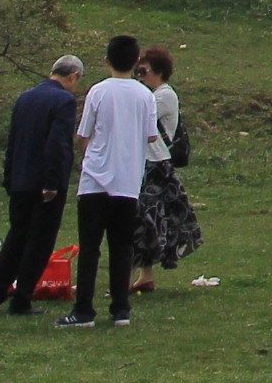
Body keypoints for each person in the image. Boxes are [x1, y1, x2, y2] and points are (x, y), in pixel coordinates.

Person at [62, 33, 160, 329]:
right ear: (136, 62)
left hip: (94, 182)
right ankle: (120, 308)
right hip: (127, 181)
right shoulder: (145, 95)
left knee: (90, 247)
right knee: (122, 247)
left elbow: (83, 134)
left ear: (107, 60)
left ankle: (84, 310)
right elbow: (151, 134)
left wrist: (88, 157)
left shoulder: (98, 91)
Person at [0, 56, 82, 316]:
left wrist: (10, 176)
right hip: (44, 183)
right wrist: (52, 182)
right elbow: (58, 144)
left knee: (16, 237)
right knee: (39, 241)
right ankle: (22, 297)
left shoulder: (25, 98)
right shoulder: (64, 101)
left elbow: (13, 140)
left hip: (21, 179)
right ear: (72, 76)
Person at [130, 45, 200, 290]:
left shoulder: (164, 95)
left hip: (156, 165)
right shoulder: (149, 94)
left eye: (143, 70)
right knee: (143, 220)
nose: (139, 75)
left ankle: (144, 273)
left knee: (149, 217)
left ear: (157, 70)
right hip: (144, 163)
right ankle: (145, 276)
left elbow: (139, 117)